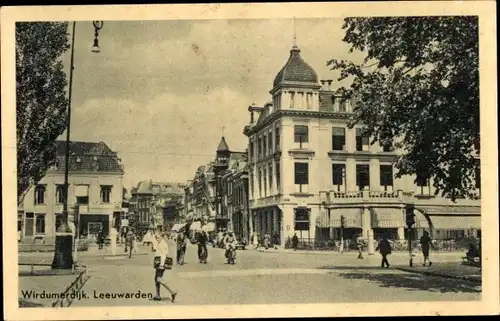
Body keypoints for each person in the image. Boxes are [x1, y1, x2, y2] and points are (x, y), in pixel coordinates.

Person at [152, 233, 177, 302]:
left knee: (159, 279)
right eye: (156, 237)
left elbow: (164, 254)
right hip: (159, 264)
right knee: (156, 279)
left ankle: (172, 291)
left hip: (161, 264)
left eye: (158, 237)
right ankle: (157, 295)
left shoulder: (163, 244)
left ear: (161, 237)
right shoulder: (160, 243)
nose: (157, 239)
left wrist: (161, 265)